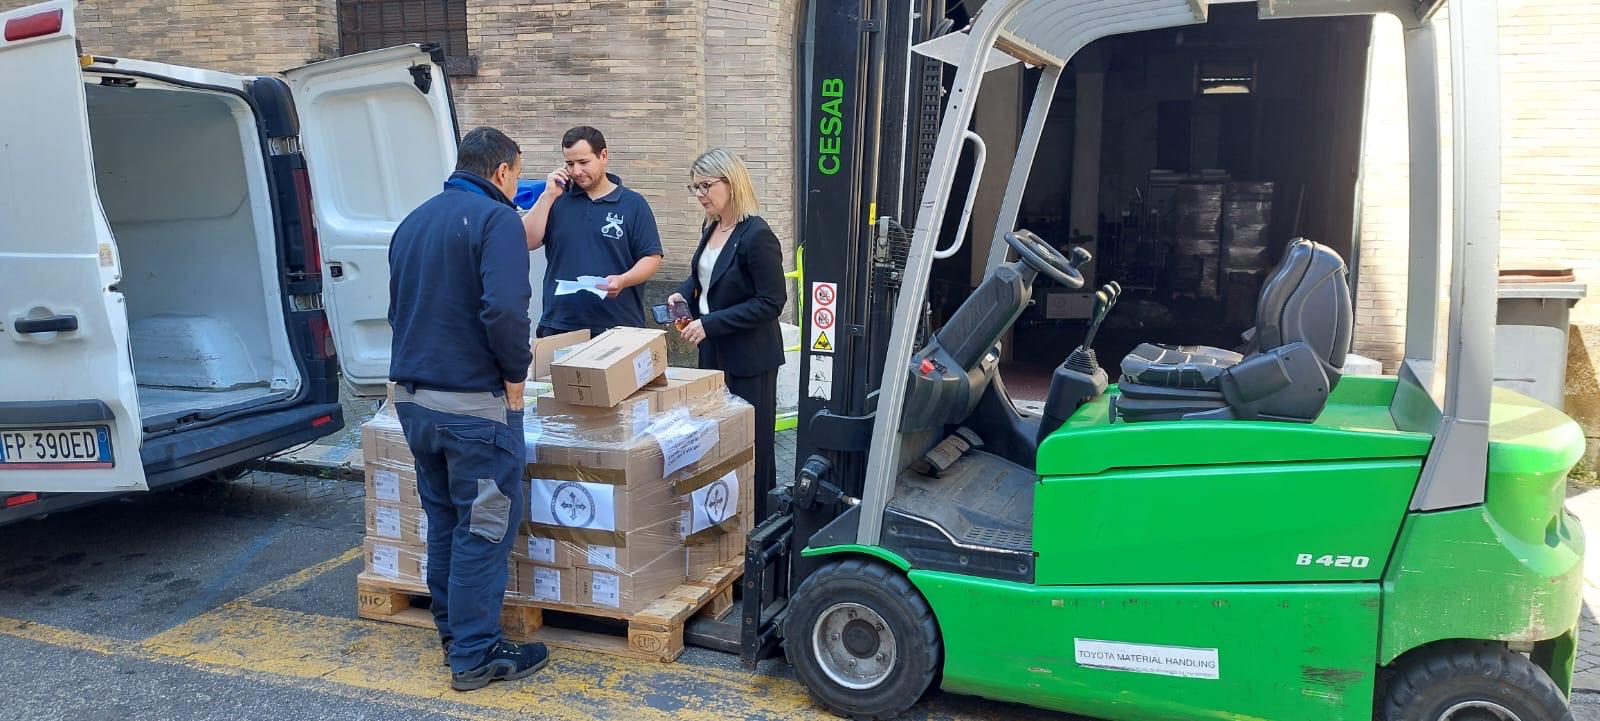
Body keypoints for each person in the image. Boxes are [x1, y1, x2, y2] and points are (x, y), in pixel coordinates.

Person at [387, 126, 548, 691]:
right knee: (484, 527)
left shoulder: (414, 221)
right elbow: (505, 309)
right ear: (502, 171)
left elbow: (398, 310)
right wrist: (515, 377)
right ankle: (476, 654)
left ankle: (455, 634)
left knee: (447, 522)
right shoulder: (497, 220)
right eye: (517, 174)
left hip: (414, 402)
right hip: (473, 407)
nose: (516, 185)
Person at [669, 148, 786, 521]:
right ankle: (727, 514)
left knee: (751, 441)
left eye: (706, 185)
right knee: (717, 435)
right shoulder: (712, 227)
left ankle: (759, 519)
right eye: (695, 187)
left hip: (750, 357)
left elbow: (771, 302)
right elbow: (703, 277)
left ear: (731, 182)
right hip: (712, 351)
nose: (700, 194)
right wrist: (682, 294)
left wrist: (711, 323)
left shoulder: (757, 235)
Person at [523, 126, 663, 338]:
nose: (576, 171)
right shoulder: (556, 199)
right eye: (570, 164)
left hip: (618, 326)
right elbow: (526, 241)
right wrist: (548, 196)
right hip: (559, 324)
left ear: (603, 156)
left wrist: (623, 280)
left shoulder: (633, 204)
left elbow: (651, 258)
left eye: (583, 162)